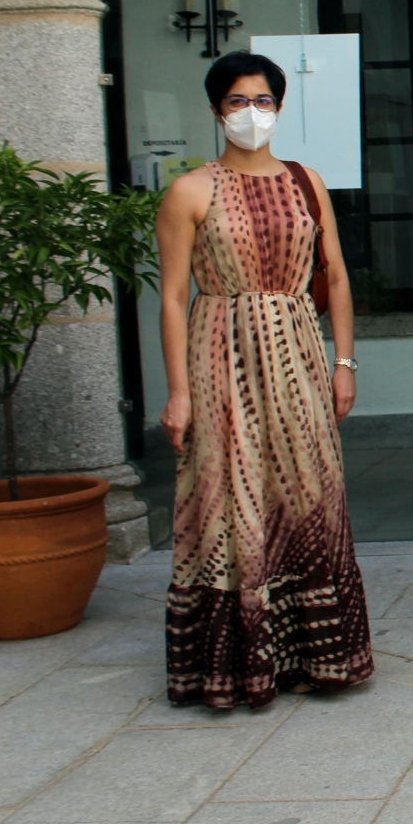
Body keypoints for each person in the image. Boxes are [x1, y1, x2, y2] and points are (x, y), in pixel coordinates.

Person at [155, 51, 371, 708]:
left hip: (300, 352)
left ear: (279, 105)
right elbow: (169, 297)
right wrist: (179, 391)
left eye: (262, 100)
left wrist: (344, 361)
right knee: (227, 494)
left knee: (310, 492)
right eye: (237, 101)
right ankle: (237, 663)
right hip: (220, 353)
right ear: (217, 109)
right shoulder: (190, 190)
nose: (252, 113)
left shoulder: (307, 180)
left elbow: (333, 274)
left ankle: (317, 654)